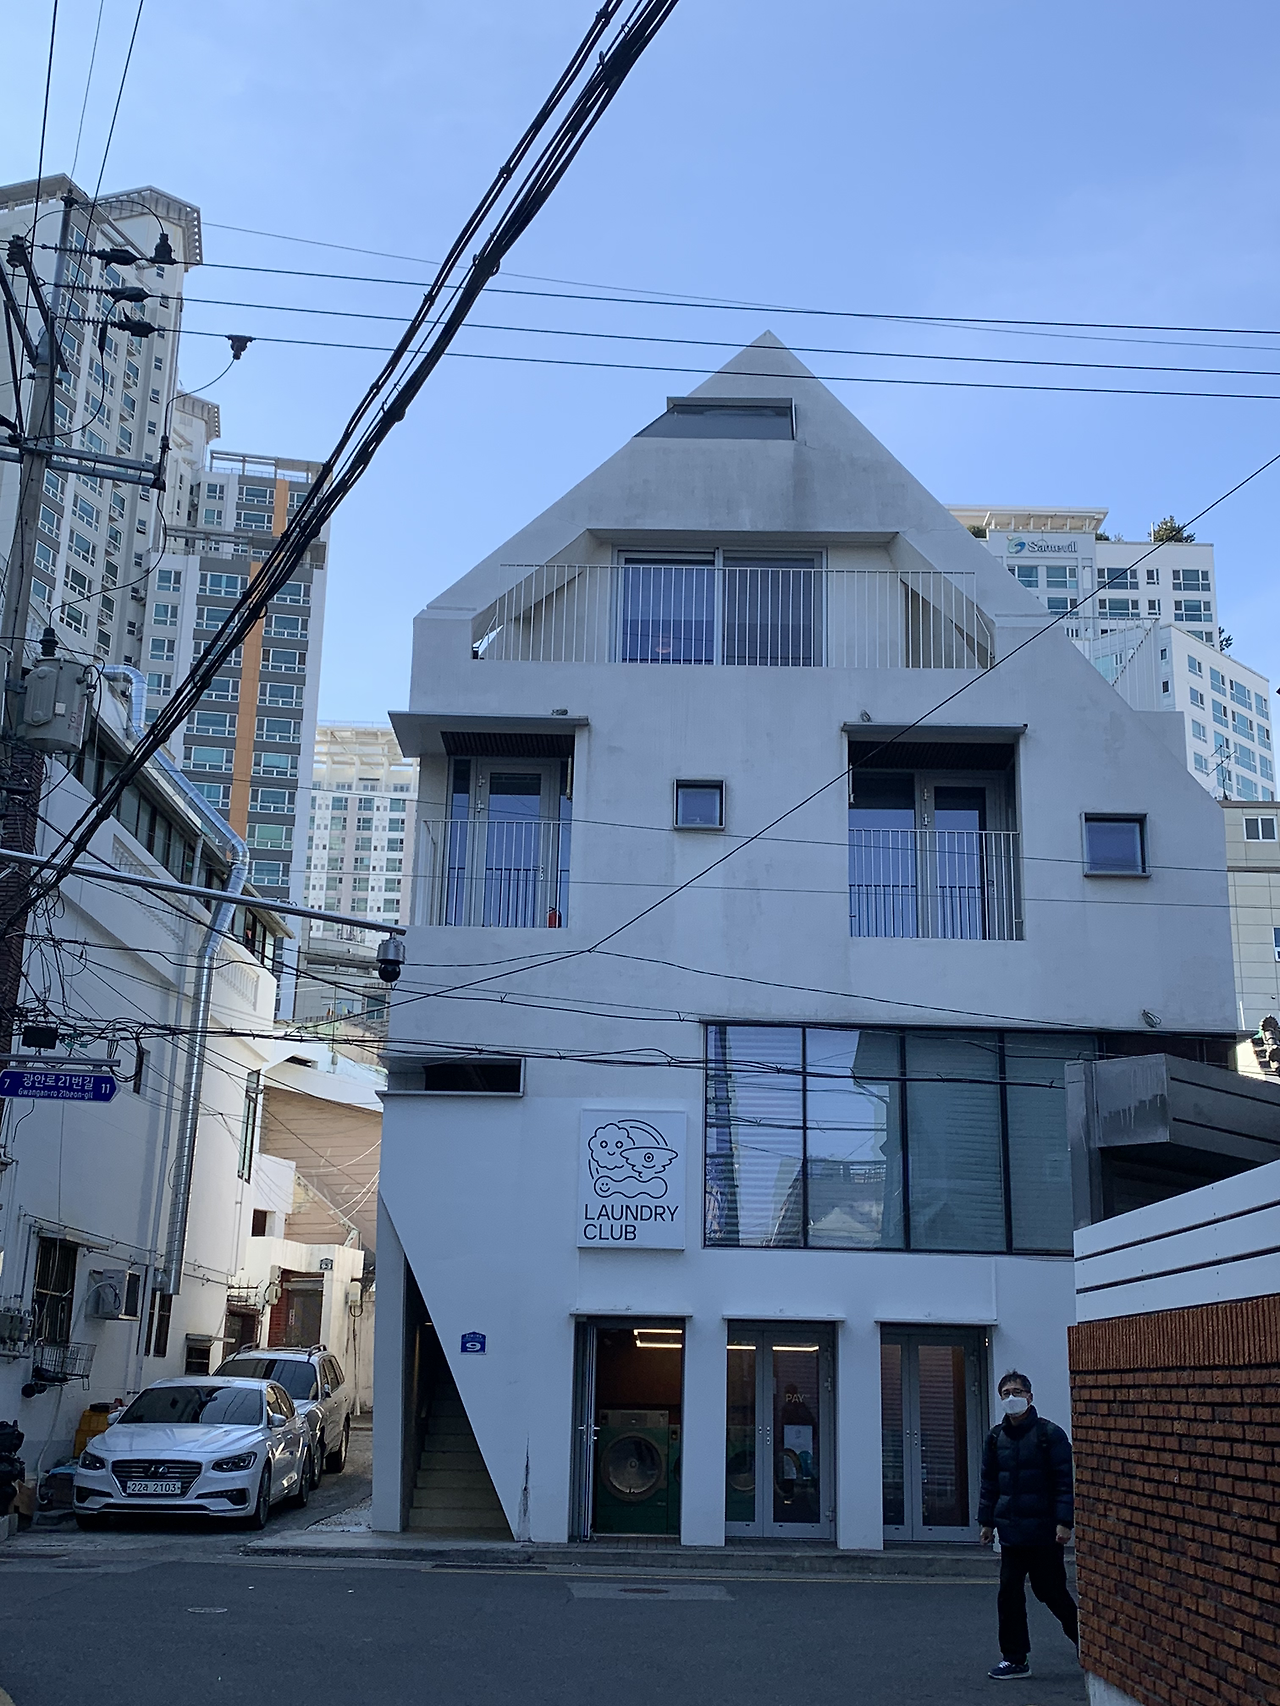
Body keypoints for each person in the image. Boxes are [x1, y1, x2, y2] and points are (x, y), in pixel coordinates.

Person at [977, 1368, 1078, 1681]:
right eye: (1006, 1393)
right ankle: (1014, 1658)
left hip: (1044, 1532)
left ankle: (1085, 1640)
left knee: (1051, 1592)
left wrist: (1064, 1523)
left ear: (1030, 1397)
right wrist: (986, 1522)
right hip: (1011, 1532)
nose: (1012, 1398)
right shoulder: (996, 1438)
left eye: (1017, 1392)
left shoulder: (1050, 1435)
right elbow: (989, 1483)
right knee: (1008, 1593)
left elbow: (1064, 1482)